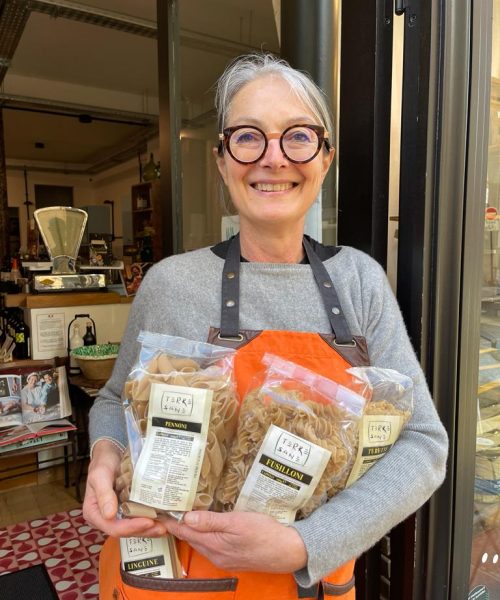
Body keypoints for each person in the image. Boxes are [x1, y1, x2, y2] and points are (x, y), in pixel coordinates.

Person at [84, 53, 448, 599]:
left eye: (297, 137)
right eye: (248, 137)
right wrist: (104, 452)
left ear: (325, 159)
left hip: (309, 583)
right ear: (222, 161)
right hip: (169, 579)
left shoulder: (358, 282)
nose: (272, 158)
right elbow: (115, 400)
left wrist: (307, 542)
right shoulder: (170, 283)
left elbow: (423, 444)